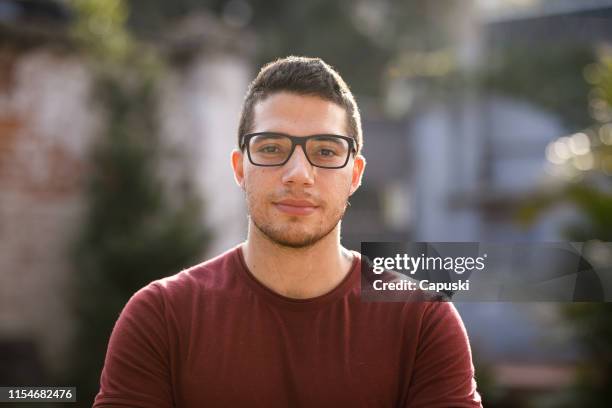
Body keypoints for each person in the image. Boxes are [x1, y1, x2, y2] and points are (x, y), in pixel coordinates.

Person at [93, 56, 482, 407]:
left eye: (327, 151)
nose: (299, 174)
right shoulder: (161, 317)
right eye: (272, 148)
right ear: (240, 167)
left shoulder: (422, 322)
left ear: (356, 175)